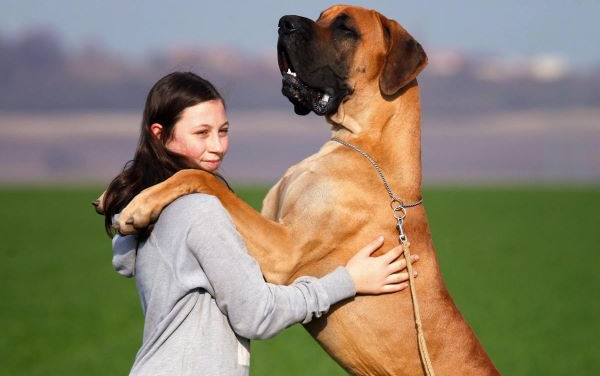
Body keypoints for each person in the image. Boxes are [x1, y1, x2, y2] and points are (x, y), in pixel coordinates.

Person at [102, 71, 419, 375]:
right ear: (160, 135)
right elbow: (257, 314)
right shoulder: (198, 210)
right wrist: (348, 281)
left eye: (223, 131)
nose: (217, 146)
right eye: (202, 133)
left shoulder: (155, 212)